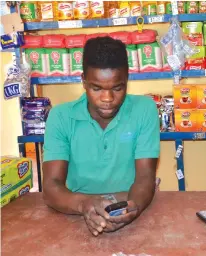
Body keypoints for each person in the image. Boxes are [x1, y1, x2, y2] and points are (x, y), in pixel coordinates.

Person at [42, 37, 160, 236]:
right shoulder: (60, 117)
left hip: (132, 210)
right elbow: (51, 187)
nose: (107, 99)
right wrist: (84, 204)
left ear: (127, 80)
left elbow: (145, 177)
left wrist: (134, 207)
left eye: (117, 88)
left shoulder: (145, 110)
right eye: (97, 88)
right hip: (74, 214)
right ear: (83, 81)